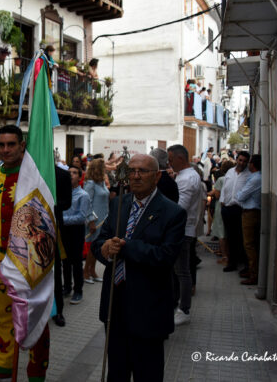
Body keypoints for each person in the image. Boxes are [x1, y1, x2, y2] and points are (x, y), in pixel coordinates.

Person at [92, 154, 186, 382]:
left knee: (148, 374)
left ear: (157, 176)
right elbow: (100, 241)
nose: (135, 176)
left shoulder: (173, 212)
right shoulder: (119, 203)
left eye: (142, 171)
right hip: (115, 305)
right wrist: (104, 248)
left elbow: (165, 257)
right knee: (117, 373)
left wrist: (126, 246)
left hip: (148, 310)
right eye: (131, 171)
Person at [0, 125, 50, 382]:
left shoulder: (35, 179)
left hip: (30, 260)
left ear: (22, 145)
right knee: (4, 314)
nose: (5, 150)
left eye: (11, 144)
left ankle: (36, 372)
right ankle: (4, 363)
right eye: (1, 144)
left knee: (34, 316)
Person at [167, 144, 203, 326]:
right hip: (182, 229)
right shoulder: (185, 176)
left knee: (182, 271)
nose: (169, 163)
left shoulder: (187, 178)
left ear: (180, 158)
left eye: (171, 159)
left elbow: (180, 207)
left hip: (182, 230)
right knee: (178, 271)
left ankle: (184, 310)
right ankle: (177, 305)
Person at [62, 164, 91, 305]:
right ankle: (67, 287)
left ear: (80, 177)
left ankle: (78, 290)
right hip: (64, 231)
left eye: (74, 172)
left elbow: (81, 217)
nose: (71, 174)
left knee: (76, 262)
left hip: (76, 231)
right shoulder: (63, 193)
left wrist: (61, 220)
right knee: (65, 261)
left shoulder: (83, 195)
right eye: (69, 172)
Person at [220, 151, 251, 273]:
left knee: (241, 237)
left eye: (244, 161)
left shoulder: (249, 174)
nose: (242, 163)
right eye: (240, 160)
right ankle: (231, 263)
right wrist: (222, 201)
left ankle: (243, 264)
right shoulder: (230, 172)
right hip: (227, 208)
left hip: (240, 209)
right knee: (230, 237)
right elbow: (224, 187)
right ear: (236, 160)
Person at [236, 154, 261, 285]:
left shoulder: (255, 179)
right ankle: (251, 269)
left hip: (251, 213)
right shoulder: (254, 177)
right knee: (249, 244)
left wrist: (239, 193)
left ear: (252, 165)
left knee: (249, 245)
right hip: (249, 212)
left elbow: (241, 196)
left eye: (249, 162)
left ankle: (254, 274)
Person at [52, 165, 72, 327]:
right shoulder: (27, 172)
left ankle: (58, 310)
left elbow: (67, 203)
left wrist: (50, 205)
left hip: (55, 228)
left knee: (56, 273)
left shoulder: (62, 175)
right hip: (30, 230)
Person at [84, 158, 109, 283]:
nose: (105, 170)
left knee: (97, 246)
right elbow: (86, 203)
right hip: (94, 220)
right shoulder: (90, 183)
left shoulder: (102, 183)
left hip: (104, 219)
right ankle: (85, 272)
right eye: (103, 168)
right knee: (92, 247)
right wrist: (91, 220)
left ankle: (92, 271)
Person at [210, 161, 233, 265]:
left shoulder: (221, 179)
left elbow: (217, 195)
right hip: (230, 207)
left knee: (221, 233)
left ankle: (224, 257)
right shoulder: (233, 178)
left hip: (221, 207)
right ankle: (228, 254)